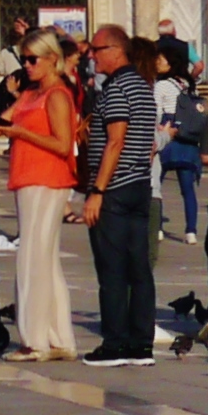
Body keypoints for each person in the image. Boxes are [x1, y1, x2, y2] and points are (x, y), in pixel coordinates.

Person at [0, 33, 86, 359]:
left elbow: (61, 143)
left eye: (32, 59)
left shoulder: (56, 95)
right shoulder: (30, 93)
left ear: (52, 59)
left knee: (32, 257)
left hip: (48, 179)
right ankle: (59, 339)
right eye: (23, 59)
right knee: (45, 259)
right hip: (26, 177)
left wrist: (22, 133)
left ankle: (34, 340)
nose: (25, 65)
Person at [75, 20, 167, 362]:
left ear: (116, 51)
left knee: (112, 269)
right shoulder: (143, 87)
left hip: (114, 188)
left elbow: (116, 140)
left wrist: (97, 190)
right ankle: (140, 343)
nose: (92, 57)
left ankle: (114, 343)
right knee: (138, 267)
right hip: (139, 185)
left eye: (97, 51)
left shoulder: (115, 89)